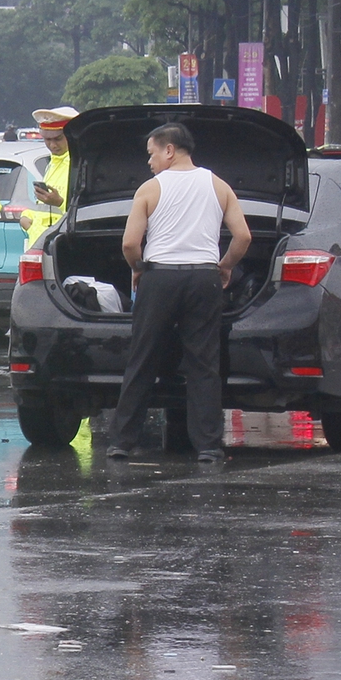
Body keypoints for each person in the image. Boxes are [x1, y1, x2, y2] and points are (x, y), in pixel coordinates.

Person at [107, 123, 250, 463]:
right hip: (204, 278)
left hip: (159, 279)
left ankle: (122, 442)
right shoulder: (218, 185)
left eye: (152, 154)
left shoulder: (149, 189)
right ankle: (208, 446)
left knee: (142, 358)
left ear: (169, 150)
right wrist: (225, 265)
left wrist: (138, 268)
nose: (150, 162)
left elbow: (129, 243)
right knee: (203, 363)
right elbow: (243, 237)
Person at [19, 105, 78, 240]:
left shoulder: (79, 165)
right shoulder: (52, 164)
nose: (52, 145)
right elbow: (45, 210)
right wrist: (27, 216)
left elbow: (88, 211)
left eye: (58, 139)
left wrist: (60, 203)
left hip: (63, 245)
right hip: (44, 245)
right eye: (47, 139)